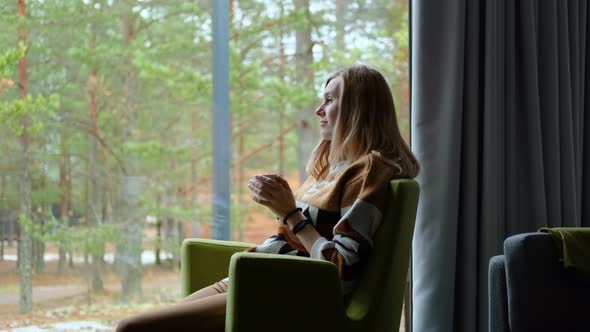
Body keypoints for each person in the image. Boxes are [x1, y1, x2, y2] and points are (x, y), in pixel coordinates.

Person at [115, 64, 420, 332]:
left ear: (358, 109)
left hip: (284, 291)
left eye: (329, 101)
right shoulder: (331, 168)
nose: (318, 111)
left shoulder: (370, 173)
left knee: (133, 328)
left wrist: (290, 214)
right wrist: (280, 206)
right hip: (259, 278)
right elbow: (302, 235)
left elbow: (341, 269)